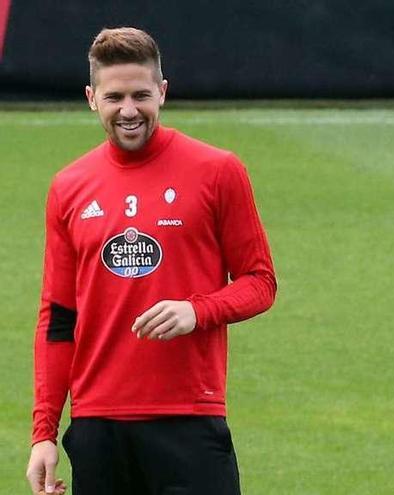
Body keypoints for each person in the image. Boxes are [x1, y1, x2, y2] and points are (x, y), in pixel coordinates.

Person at [25, 27, 276, 495]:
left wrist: (197, 310)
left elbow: (260, 282)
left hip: (190, 420)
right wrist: (43, 433)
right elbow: (59, 319)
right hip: (98, 426)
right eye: (113, 96)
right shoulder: (68, 186)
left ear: (162, 91)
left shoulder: (218, 171)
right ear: (90, 98)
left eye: (141, 95)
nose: (128, 110)